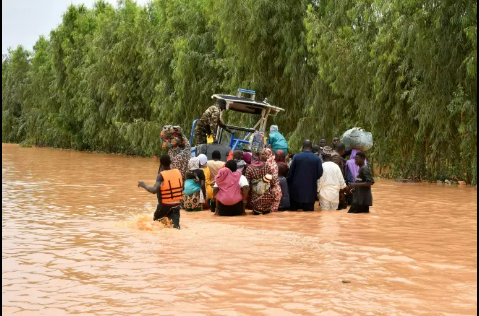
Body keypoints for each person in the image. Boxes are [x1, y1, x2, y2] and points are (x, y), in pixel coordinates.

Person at [138, 154, 182, 229]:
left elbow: (154, 190)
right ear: (170, 162)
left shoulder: (160, 176)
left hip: (163, 207)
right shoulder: (178, 172)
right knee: (176, 228)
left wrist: (143, 185)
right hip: (176, 206)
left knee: (154, 225)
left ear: (161, 164)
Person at [287, 140, 323, 211]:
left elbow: (290, 173)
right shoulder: (317, 159)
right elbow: (320, 173)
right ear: (311, 147)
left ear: (302, 147)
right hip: (310, 192)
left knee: (294, 215)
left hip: (296, 191)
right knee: (309, 216)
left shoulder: (296, 157)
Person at [246, 148, 282, 215]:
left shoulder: (249, 168)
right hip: (267, 200)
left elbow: (247, 185)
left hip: (255, 203)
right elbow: (273, 181)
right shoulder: (268, 166)